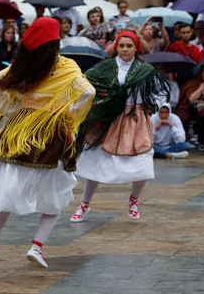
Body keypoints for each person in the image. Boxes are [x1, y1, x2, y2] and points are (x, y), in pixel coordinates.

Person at [0, 17, 95, 277]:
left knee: (5, 196)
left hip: (16, 134)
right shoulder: (67, 67)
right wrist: (65, 112)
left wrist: (4, 112)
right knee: (56, 196)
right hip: (49, 136)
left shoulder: (20, 66)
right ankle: (36, 247)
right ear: (56, 43)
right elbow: (87, 93)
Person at [72, 30, 169, 222]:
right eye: (121, 46)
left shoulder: (145, 69)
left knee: (142, 162)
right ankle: (84, 204)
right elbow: (85, 84)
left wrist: (151, 108)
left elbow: (159, 93)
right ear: (116, 47)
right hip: (108, 118)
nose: (125, 49)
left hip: (135, 118)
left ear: (136, 48)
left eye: (129, 46)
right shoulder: (104, 67)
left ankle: (134, 200)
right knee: (95, 161)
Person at [176, 63, 204, 151]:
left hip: (203, 107)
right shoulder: (193, 82)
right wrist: (201, 88)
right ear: (200, 72)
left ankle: (202, 140)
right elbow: (191, 99)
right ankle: (182, 139)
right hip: (188, 106)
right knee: (182, 116)